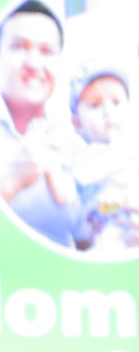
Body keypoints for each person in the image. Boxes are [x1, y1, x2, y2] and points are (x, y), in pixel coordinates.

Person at [0, 0, 83, 247]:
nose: (34, 64)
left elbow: (85, 236)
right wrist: (12, 179)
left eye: (47, 51)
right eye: (20, 47)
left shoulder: (73, 142)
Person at [65, 66, 139, 251]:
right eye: (95, 105)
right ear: (77, 123)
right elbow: (78, 231)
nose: (108, 111)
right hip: (102, 252)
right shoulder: (78, 168)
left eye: (116, 102)